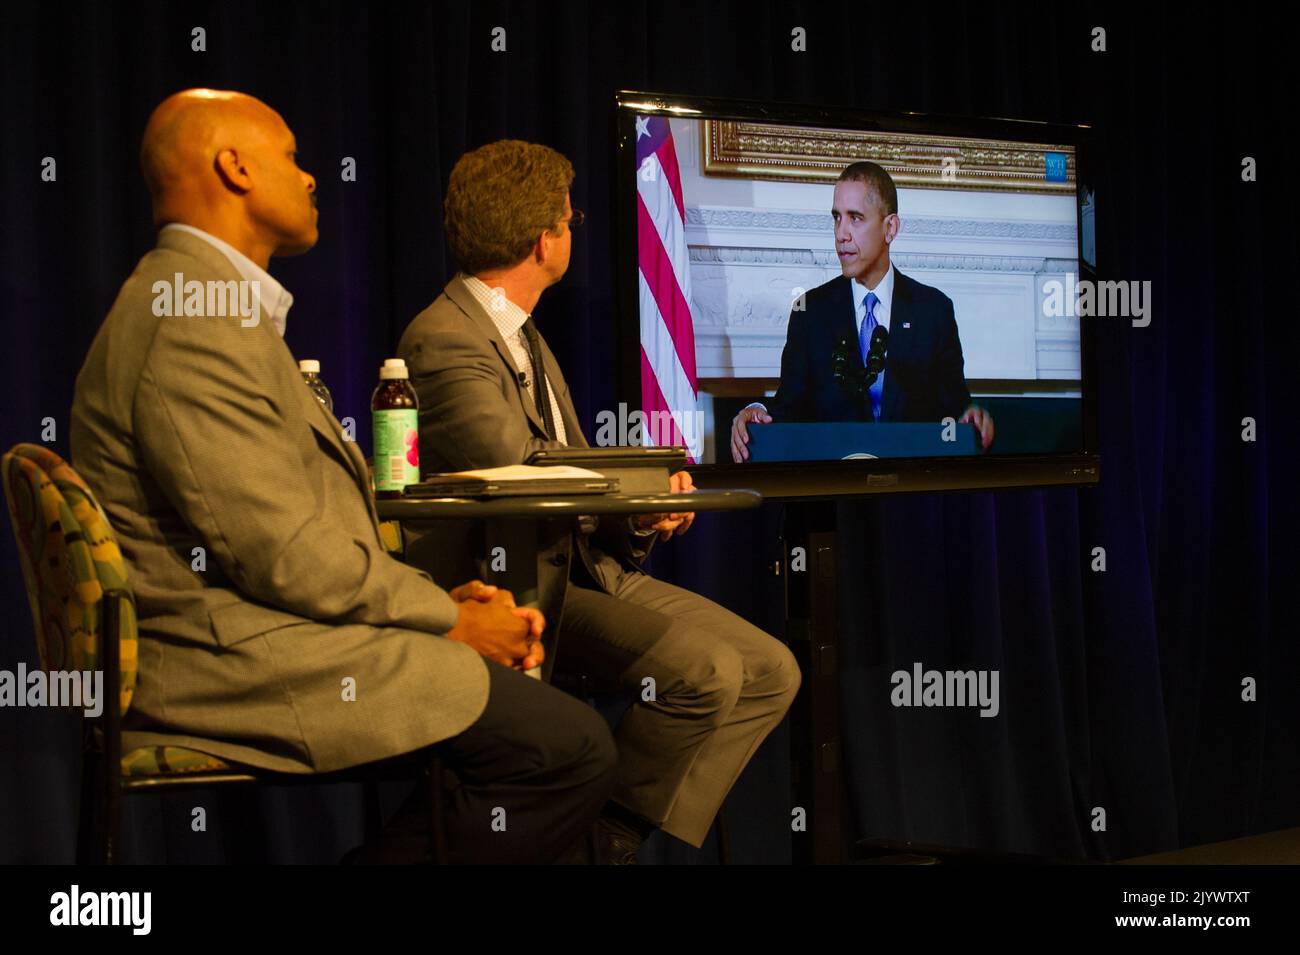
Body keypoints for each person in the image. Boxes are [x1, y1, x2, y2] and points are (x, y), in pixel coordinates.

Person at [69, 90, 616, 864]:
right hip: (228, 664)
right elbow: (286, 555)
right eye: (292, 157)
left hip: (271, 633)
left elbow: (295, 532)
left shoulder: (205, 306)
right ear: (235, 168)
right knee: (565, 746)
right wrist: (445, 619)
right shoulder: (192, 322)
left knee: (536, 731)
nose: (313, 177)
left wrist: (432, 608)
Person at [397, 140, 801, 863]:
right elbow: (523, 476)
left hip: (592, 570)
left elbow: (573, 474)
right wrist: (634, 496)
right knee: (705, 673)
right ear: (542, 238)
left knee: (771, 670)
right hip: (523, 588)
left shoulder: (525, 336)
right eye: (569, 217)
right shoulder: (443, 337)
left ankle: (605, 832)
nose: (573, 230)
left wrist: (639, 512)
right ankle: (599, 843)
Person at [731, 161, 995, 462]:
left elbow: (954, 408)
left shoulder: (933, 310)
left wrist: (971, 415)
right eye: (836, 218)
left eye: (855, 218)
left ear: (890, 227)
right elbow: (789, 406)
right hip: (835, 495)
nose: (841, 234)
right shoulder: (810, 312)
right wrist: (758, 413)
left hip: (914, 490)